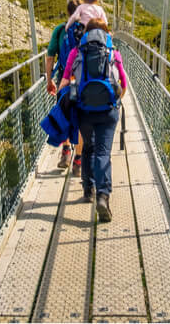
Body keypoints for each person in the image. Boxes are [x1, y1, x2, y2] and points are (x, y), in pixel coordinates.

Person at [58, 19, 127, 222]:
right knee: (103, 151)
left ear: (86, 34)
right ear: (106, 34)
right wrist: (115, 102)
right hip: (108, 111)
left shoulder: (75, 53)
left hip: (84, 110)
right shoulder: (113, 53)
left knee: (88, 147)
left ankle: (88, 191)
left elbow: (64, 83)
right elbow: (123, 84)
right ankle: (103, 196)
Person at [45, 0, 84, 173]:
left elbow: (50, 56)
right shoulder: (87, 29)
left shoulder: (61, 30)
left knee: (65, 113)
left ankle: (66, 151)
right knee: (81, 118)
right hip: (82, 81)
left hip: (65, 80)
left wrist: (49, 80)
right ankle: (78, 160)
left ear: (68, 13)